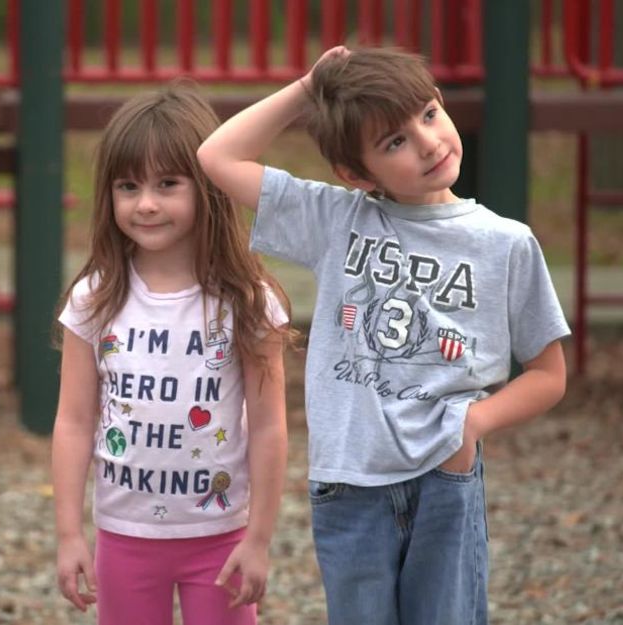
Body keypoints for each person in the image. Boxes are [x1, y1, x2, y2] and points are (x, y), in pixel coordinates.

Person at [198, 46, 570, 624]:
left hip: (444, 476)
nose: (426, 143)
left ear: (443, 105)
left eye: (427, 115)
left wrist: (473, 425)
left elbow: (548, 375)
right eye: (393, 141)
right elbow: (217, 155)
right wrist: (307, 87)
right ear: (356, 173)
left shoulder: (507, 244)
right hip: (348, 485)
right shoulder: (337, 220)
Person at [51, 83, 294, 625]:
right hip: (123, 536)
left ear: (206, 187)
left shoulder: (248, 301)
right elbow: (72, 421)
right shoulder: (95, 297)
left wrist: (259, 539)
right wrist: (69, 534)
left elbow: (270, 428)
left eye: (167, 183)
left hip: (220, 537)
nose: (146, 203)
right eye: (128, 185)